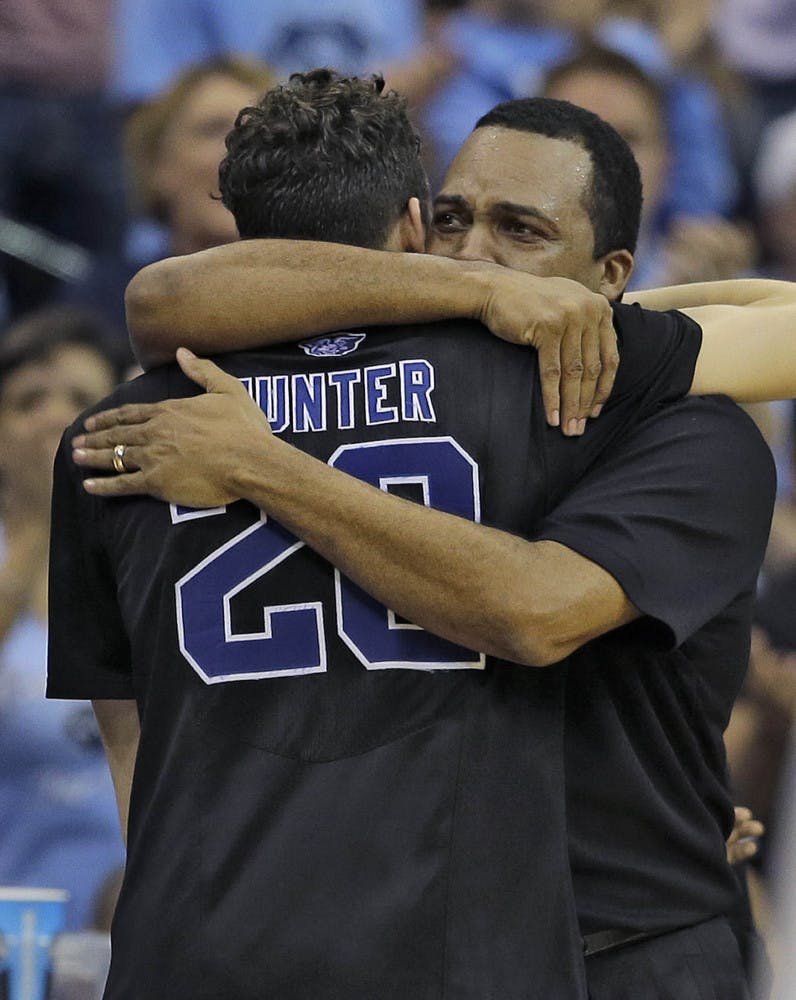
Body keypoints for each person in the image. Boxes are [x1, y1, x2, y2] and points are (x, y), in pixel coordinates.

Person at [48, 72, 775, 999]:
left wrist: (265, 463)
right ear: (409, 224)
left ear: (609, 281)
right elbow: (166, 296)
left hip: (622, 935)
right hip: (450, 931)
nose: (473, 259)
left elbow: (533, 608)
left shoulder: (129, 424)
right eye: (451, 221)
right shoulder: (514, 399)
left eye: (522, 231)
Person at [0, 305, 128, 931]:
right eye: (28, 402)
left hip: (132, 909)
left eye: (79, 398)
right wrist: (32, 533)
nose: (55, 417)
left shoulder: (149, 561)